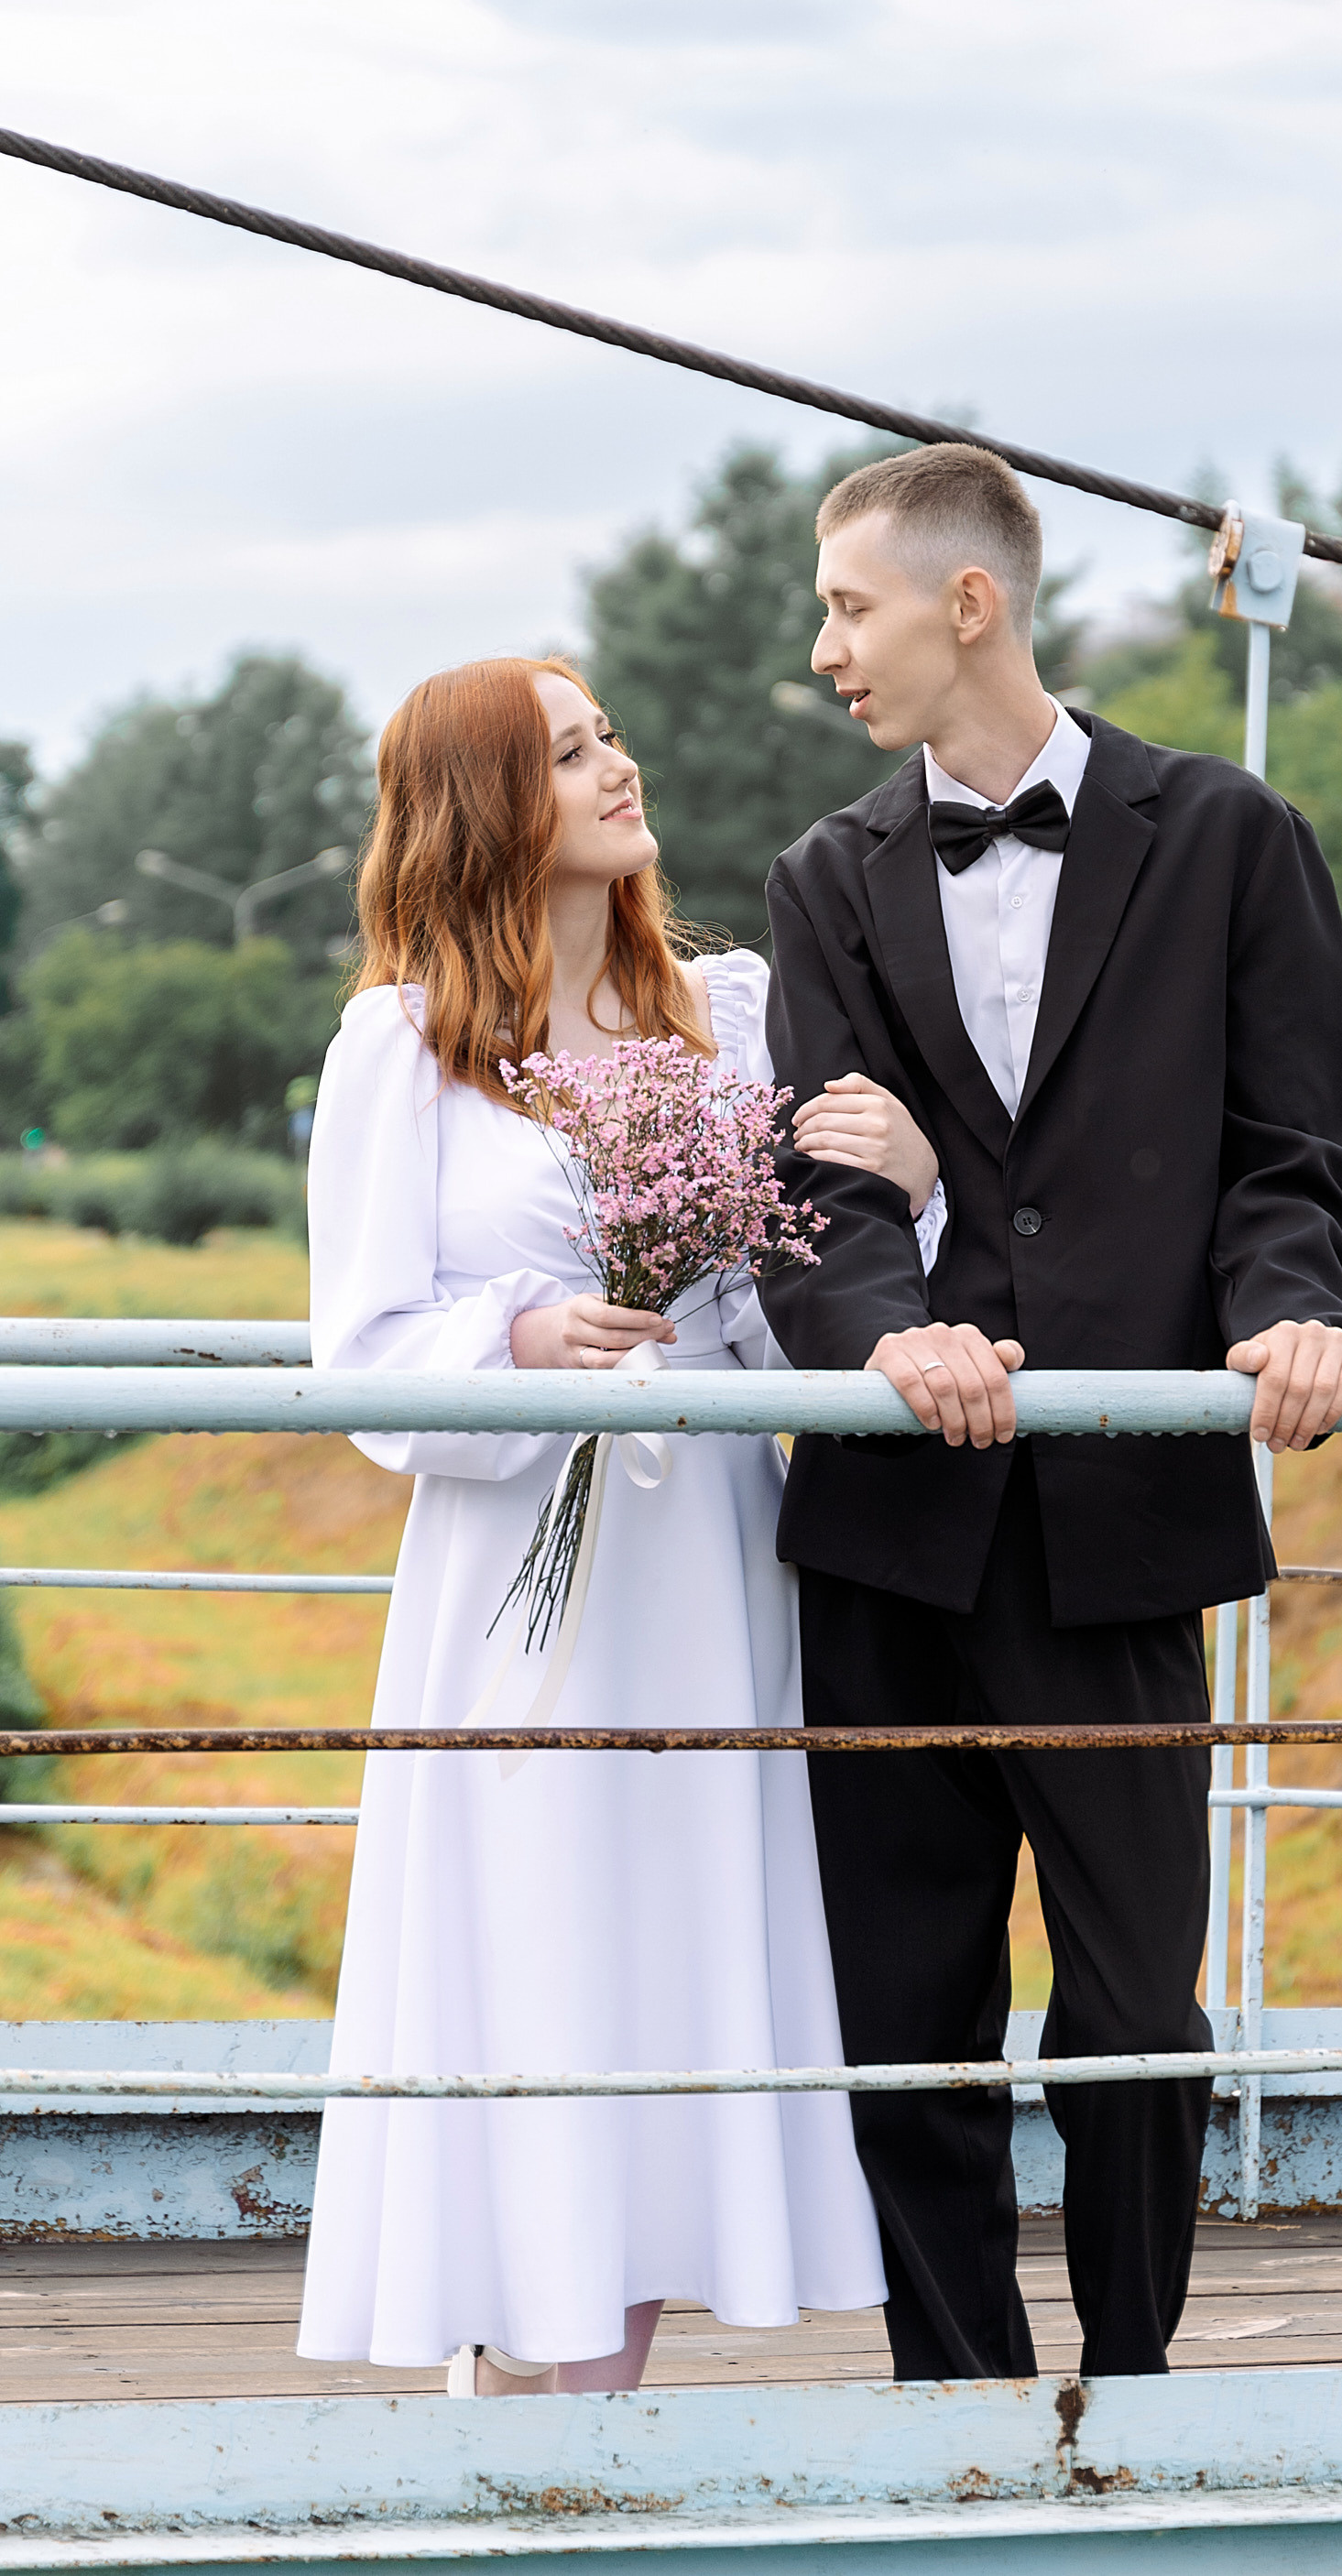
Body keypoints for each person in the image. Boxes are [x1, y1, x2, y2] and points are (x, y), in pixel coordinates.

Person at [758, 445, 1342, 2383]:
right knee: (905, 2008)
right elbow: (817, 1195)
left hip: (1121, 1521)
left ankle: (1135, 2390)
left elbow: (1294, 1145)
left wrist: (1291, 1309)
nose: (822, 647)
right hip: (889, 1533)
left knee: (1132, 2001)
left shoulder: (1230, 836)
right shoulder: (824, 878)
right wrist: (884, 1340)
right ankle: (955, 2403)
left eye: (847, 607)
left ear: (969, 603)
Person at [297, 654, 942, 2395]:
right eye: (568, 753)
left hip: (709, 1553)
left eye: (607, 736)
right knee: (539, 1937)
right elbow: (356, 1356)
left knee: (671, 1945)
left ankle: (608, 2411)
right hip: (519, 1580)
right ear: (488, 808)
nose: (616, 766)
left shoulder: (726, 1010)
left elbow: (811, 1277)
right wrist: (508, 1341)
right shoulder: (404, 1044)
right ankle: (528, 2401)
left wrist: (919, 1187)